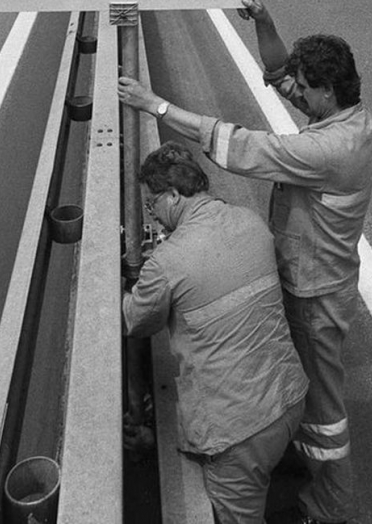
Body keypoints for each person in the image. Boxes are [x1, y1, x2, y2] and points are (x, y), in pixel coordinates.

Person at [118, 0, 372, 524]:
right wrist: (266, 24)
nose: (295, 94)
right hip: (313, 278)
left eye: (305, 90)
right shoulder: (349, 116)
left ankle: (331, 507)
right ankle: (285, 455)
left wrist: (155, 106)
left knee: (327, 413)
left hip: (316, 290)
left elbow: (237, 145)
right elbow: (279, 74)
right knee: (293, 380)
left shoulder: (330, 150)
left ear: (327, 90)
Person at [123, 141, 308, 524]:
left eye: (151, 205)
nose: (152, 216)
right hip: (290, 399)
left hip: (239, 433)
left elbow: (136, 320)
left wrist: (128, 286)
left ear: (173, 196)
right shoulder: (249, 221)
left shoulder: (168, 261)